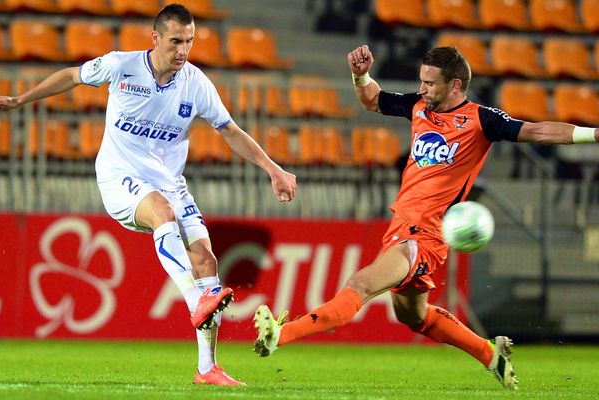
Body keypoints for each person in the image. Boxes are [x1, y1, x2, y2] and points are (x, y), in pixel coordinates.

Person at [252, 44, 598, 390]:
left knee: (359, 285)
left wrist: (593, 135)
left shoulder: (482, 120)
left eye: (430, 83)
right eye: (421, 81)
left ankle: (280, 335)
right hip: (401, 226)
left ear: (456, 86)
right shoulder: (418, 106)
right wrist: (360, 75)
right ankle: (491, 355)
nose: (422, 89)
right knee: (413, 317)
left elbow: (537, 131)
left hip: (425, 235)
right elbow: (372, 99)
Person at [0, 4, 297, 386]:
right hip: (119, 176)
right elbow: (72, 76)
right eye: (175, 41)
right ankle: (195, 302)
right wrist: (21, 100)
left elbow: (230, 130)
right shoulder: (121, 66)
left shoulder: (196, 83)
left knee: (206, 262)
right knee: (162, 211)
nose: (183, 50)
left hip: (170, 182)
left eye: (189, 41)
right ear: (155, 38)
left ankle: (207, 368)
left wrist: (273, 169)